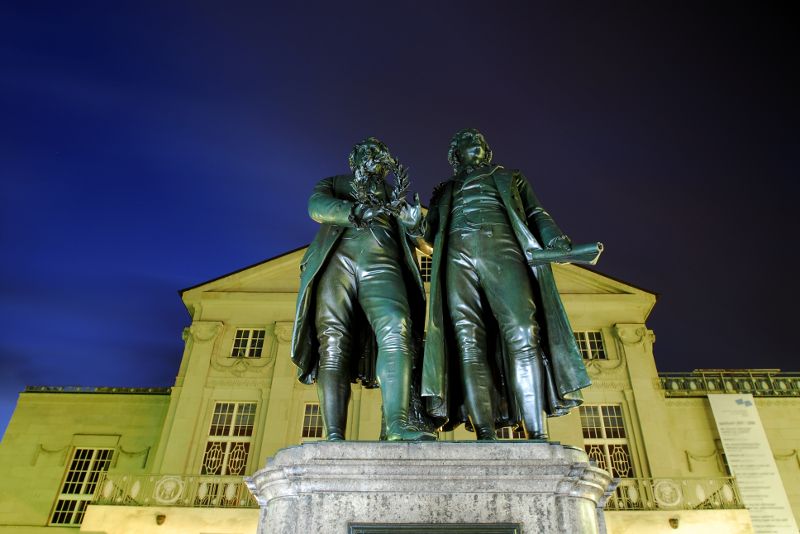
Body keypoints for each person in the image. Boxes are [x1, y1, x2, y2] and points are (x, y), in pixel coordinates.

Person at [419, 128, 592, 440]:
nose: (480, 146)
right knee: (468, 342)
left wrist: (554, 239)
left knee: (524, 331)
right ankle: (484, 432)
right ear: (455, 154)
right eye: (471, 142)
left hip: (502, 247)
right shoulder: (444, 191)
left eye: (481, 142)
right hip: (457, 258)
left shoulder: (510, 177)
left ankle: (536, 432)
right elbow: (428, 237)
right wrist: (411, 222)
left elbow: (536, 212)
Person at [290, 137, 435, 441]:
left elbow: (427, 246)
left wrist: (414, 225)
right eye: (365, 152)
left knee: (397, 326)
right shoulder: (333, 183)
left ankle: (397, 424)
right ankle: (333, 435)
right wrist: (355, 211)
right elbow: (316, 207)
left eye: (378, 152)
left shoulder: (395, 195)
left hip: (383, 263)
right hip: (336, 262)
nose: (372, 156)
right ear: (354, 160)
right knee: (332, 342)